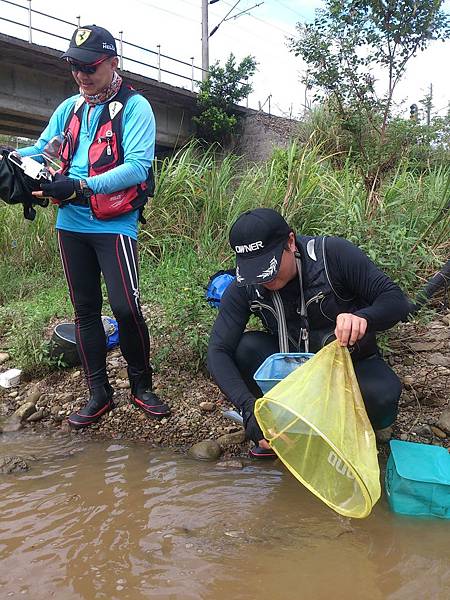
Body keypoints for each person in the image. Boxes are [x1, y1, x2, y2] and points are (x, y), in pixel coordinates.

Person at [17, 24, 170, 428]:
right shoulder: (69, 108)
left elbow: (137, 167)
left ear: (112, 63)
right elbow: (44, 148)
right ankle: (98, 392)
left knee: (125, 306)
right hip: (71, 224)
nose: (82, 75)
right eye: (74, 66)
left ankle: (141, 386)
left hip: (115, 223)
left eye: (90, 66)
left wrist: (82, 185)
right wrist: (10, 155)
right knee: (85, 309)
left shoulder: (136, 108)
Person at [207, 208, 410, 457]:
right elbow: (218, 350)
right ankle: (276, 426)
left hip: (348, 365)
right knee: (243, 348)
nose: (263, 280)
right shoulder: (244, 285)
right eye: (255, 271)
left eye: (268, 268)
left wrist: (362, 318)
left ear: (290, 242)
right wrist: (249, 409)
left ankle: (359, 428)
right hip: (292, 369)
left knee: (382, 395)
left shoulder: (333, 255)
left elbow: (396, 301)